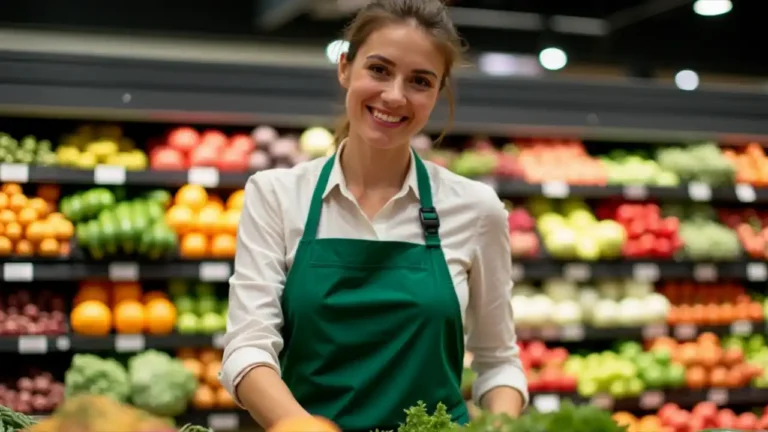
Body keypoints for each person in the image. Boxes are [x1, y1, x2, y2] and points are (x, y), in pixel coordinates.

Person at [219, 0, 528, 430]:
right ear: (345, 67)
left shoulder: (477, 209)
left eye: (420, 81)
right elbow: (247, 348)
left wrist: (498, 425)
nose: (395, 96)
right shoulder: (276, 195)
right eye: (379, 70)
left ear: (438, 92)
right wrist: (299, 425)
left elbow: (498, 361)